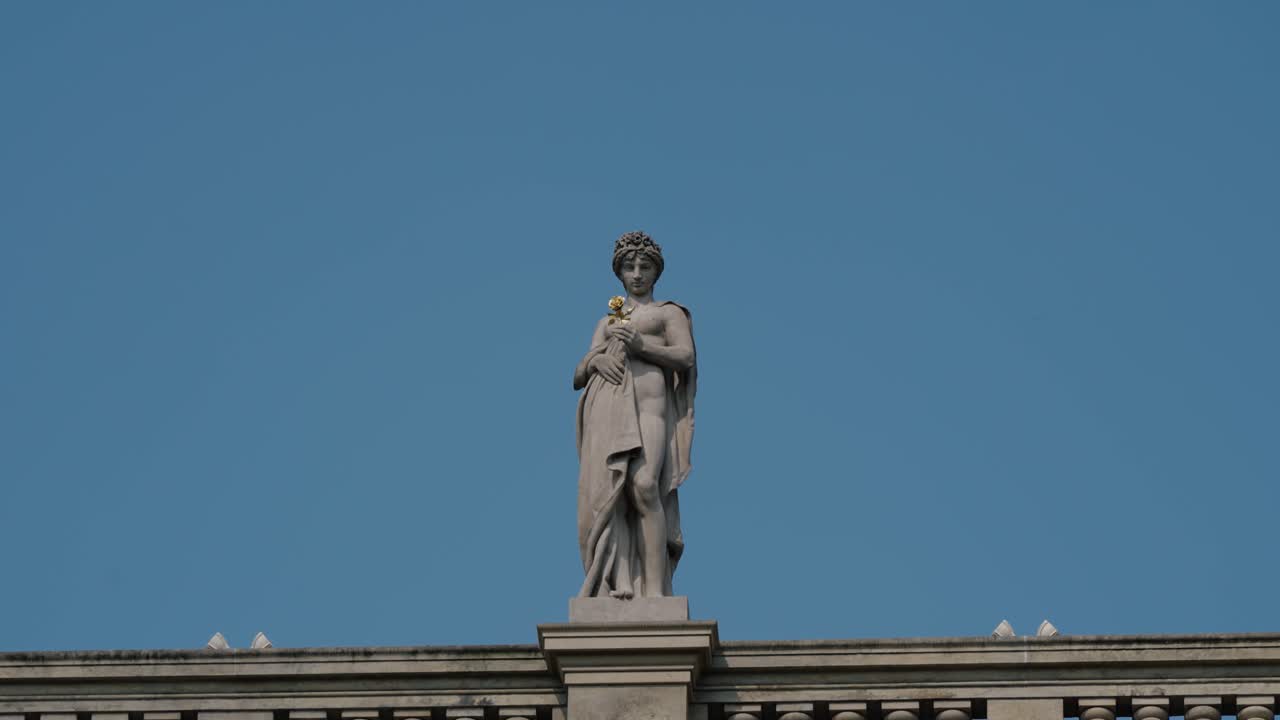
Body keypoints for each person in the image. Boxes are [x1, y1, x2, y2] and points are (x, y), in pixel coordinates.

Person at [573, 231, 696, 599]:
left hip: (652, 410)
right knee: (616, 493)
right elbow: (578, 374)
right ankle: (622, 582)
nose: (637, 273)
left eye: (644, 267)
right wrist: (598, 359)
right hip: (610, 411)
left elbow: (685, 356)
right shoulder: (609, 319)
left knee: (644, 487)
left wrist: (642, 347)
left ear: (656, 273)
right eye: (630, 267)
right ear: (620, 273)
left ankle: (656, 590)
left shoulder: (667, 313)